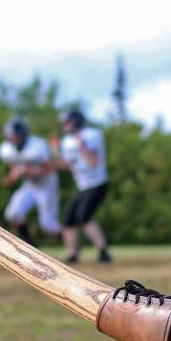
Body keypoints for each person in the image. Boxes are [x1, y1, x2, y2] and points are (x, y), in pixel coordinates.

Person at [56, 109, 112, 264]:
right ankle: (73, 253)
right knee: (68, 219)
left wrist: (82, 147)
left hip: (97, 183)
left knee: (83, 216)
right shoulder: (67, 141)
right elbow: (66, 165)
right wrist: (55, 152)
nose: (64, 126)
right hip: (83, 186)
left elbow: (93, 162)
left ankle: (103, 252)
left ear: (76, 122)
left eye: (67, 122)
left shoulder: (91, 135)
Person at [0, 116, 60, 246]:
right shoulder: (7, 150)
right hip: (31, 184)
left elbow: (51, 168)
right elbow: (16, 165)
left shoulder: (36, 146)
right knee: (12, 214)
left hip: (46, 184)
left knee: (48, 226)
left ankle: (70, 241)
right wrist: (11, 178)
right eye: (11, 137)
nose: (14, 140)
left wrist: (31, 171)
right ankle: (30, 244)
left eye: (16, 136)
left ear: (23, 135)